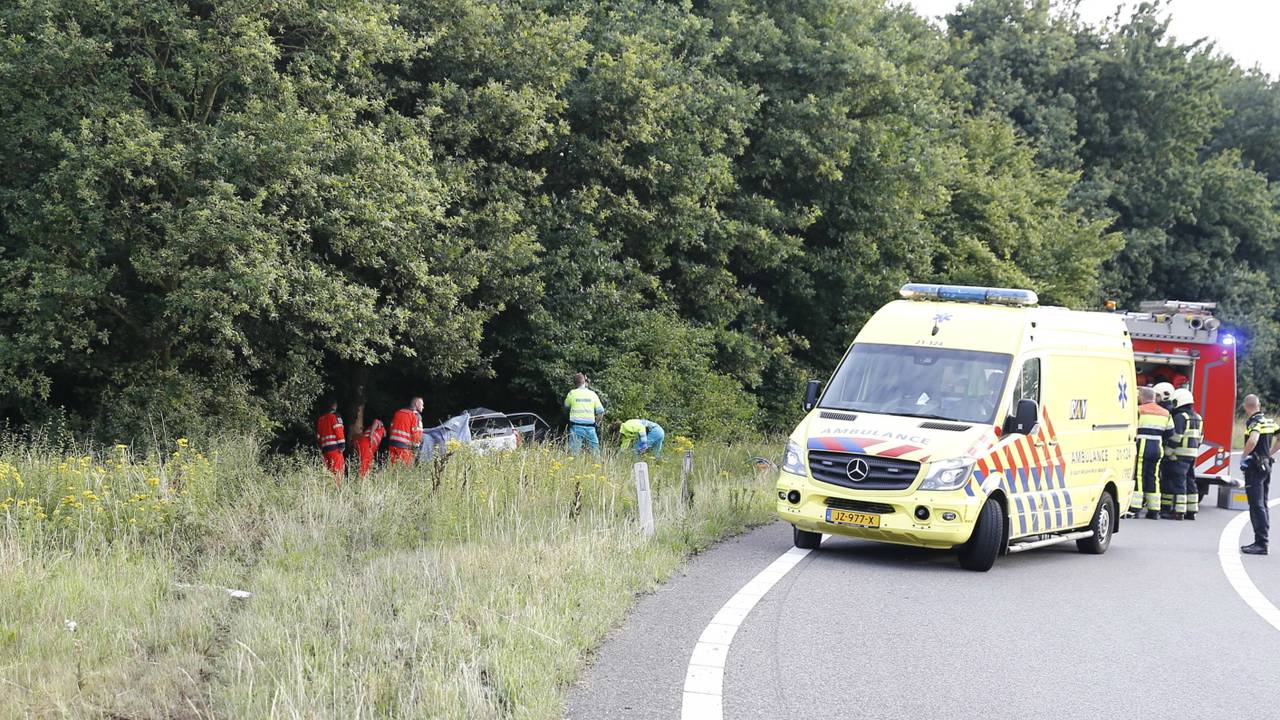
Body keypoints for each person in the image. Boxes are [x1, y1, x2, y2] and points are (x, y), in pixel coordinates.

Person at [1240, 395, 1279, 555]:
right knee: (1262, 503)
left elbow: (1253, 440)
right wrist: (1269, 453)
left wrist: (1244, 456)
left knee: (1256, 505)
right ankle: (1262, 540)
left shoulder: (1254, 422)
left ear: (1245, 407)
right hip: (1266, 465)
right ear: (1259, 405)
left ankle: (1261, 543)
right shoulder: (1269, 421)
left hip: (1255, 467)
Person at [1133, 387, 1172, 519]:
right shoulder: (1165, 413)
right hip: (1157, 447)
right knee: (1153, 477)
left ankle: (1135, 508)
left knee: (1139, 475)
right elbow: (1170, 432)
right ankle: (1154, 510)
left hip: (1142, 446)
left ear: (1142, 397)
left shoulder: (1139, 410)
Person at [1164, 387, 1202, 520]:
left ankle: (1178, 512)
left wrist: (1167, 452)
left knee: (1179, 482)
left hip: (1179, 455)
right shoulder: (1198, 417)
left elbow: (1176, 437)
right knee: (1191, 481)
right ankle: (1192, 511)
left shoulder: (1180, 417)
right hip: (1192, 455)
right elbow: (1200, 438)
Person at [564, 373, 605, 456]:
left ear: (575, 383)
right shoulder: (592, 394)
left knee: (574, 454)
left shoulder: (572, 393)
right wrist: (597, 423)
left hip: (576, 426)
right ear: (584, 382)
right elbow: (600, 411)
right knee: (595, 454)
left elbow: (566, 407)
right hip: (591, 427)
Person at [314, 398, 346, 483]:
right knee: (338, 471)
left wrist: (320, 449)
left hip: (324, 450)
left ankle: (328, 488)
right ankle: (338, 489)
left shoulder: (321, 419)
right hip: (335, 449)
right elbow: (339, 430)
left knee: (328, 473)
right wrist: (342, 445)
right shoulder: (335, 416)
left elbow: (318, 437)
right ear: (334, 406)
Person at [388, 397, 425, 466]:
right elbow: (417, 434)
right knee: (405, 470)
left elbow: (391, 428)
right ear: (417, 404)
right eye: (422, 404)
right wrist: (416, 446)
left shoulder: (398, 412)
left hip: (392, 445)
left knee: (392, 469)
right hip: (404, 448)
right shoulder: (416, 416)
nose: (423, 407)